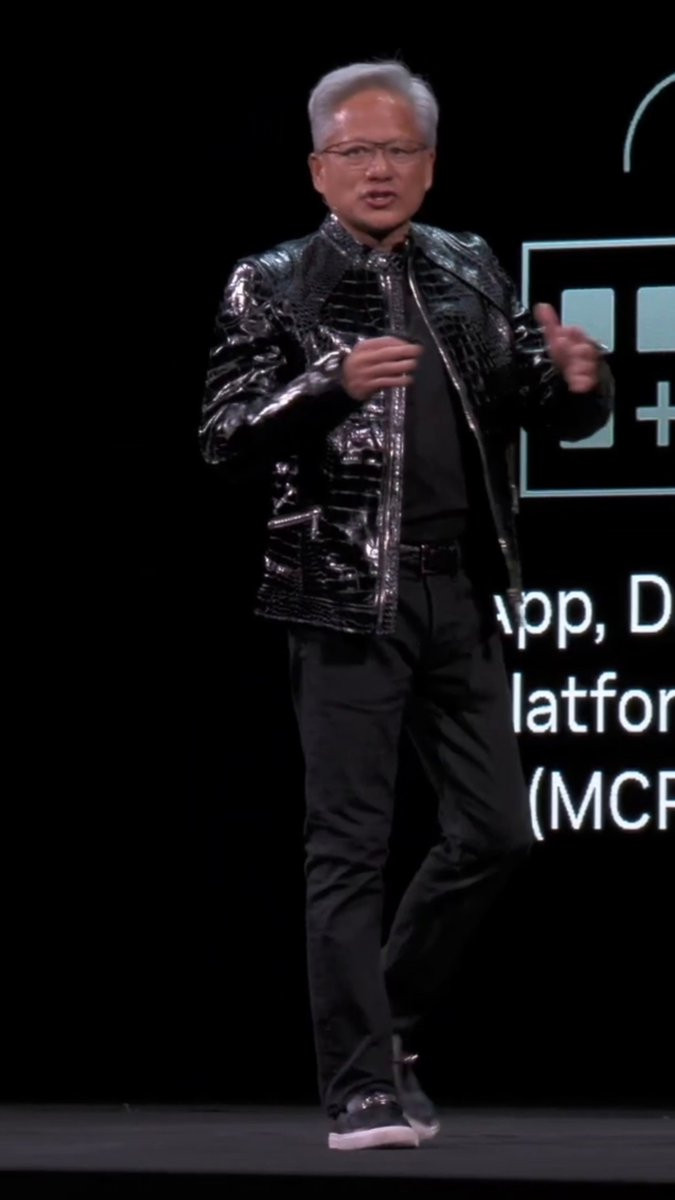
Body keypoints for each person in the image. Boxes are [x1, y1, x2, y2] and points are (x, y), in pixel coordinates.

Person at [199, 60, 613, 1151]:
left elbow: (524, 400)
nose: (377, 169)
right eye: (355, 151)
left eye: (398, 151)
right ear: (318, 168)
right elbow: (224, 437)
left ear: (429, 166)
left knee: (497, 833)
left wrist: (577, 381)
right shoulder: (272, 281)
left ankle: (388, 1028)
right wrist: (327, 385)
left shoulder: (467, 263)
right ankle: (360, 1090)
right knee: (347, 849)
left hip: (456, 589)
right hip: (341, 598)